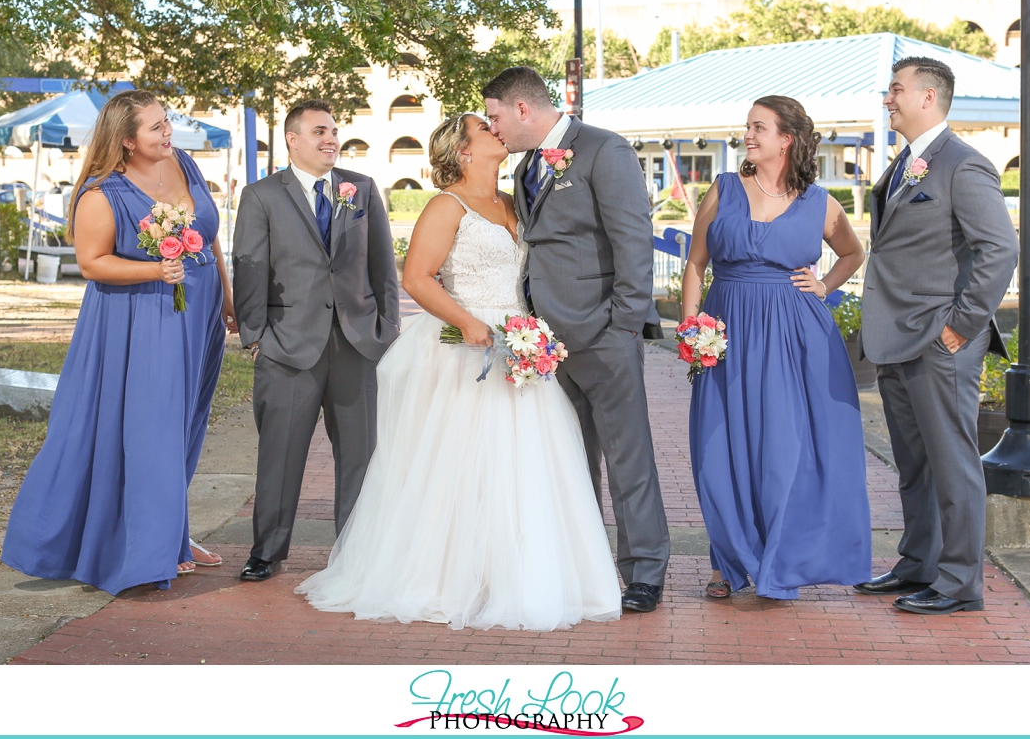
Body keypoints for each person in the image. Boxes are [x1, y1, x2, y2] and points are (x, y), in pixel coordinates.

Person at [301, 109, 620, 629]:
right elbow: (418, 278)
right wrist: (469, 322)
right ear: (464, 151)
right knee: (462, 464)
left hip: (520, 344)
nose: (496, 132)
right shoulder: (446, 206)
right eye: (483, 129)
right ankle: (445, 576)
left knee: (524, 466)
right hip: (466, 348)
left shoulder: (513, 201)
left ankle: (513, 573)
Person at [2, 91, 234, 596]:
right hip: (141, 320)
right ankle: (142, 548)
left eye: (166, 121)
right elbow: (91, 263)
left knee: (183, 426)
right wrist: (157, 268)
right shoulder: (101, 193)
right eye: (155, 128)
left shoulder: (186, 164)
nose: (167, 132)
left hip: (199, 318)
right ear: (127, 142)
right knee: (149, 431)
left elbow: (209, 233)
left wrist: (228, 298)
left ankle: (173, 532)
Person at [484, 63, 670, 611]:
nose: (493, 128)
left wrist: (623, 326)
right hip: (545, 343)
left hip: (603, 335)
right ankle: (585, 561)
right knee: (570, 458)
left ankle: (644, 572)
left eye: (496, 116)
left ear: (523, 109)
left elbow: (634, 240)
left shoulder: (602, 150)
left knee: (627, 455)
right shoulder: (525, 168)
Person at [681, 94, 871, 603]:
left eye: (759, 127)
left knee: (784, 451)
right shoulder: (723, 190)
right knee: (718, 449)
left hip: (796, 337)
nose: (749, 135)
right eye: (748, 126)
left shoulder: (820, 202)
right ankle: (727, 562)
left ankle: (780, 558)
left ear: (786, 139)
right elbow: (696, 264)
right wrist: (691, 329)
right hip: (725, 332)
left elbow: (853, 253)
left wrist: (825, 285)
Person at [856, 53, 1018, 615]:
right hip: (896, 337)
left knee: (953, 463)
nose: (888, 98)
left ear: (929, 96)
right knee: (915, 463)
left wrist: (961, 326)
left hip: (939, 340)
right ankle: (918, 562)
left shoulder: (963, 165)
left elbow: (1000, 249)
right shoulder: (904, 163)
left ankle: (957, 583)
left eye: (896, 89)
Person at [231, 100, 400, 583]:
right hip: (287, 346)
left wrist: (386, 330)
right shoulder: (262, 196)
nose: (331, 139)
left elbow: (382, 267)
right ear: (293, 138)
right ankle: (266, 551)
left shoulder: (361, 189)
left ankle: (356, 550)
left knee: (359, 457)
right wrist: (255, 336)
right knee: (280, 455)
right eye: (320, 130)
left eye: (334, 131)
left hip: (357, 345)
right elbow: (249, 268)